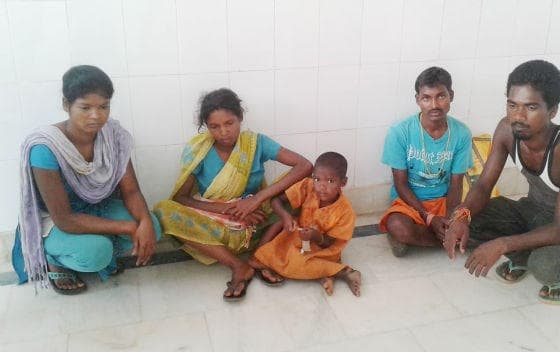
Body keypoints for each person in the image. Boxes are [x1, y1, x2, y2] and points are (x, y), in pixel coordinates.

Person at [444, 60, 560, 305]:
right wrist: (461, 215)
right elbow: (483, 186)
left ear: (552, 111)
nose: (518, 116)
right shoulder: (507, 130)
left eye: (531, 107)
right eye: (512, 105)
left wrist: (502, 244)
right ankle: (523, 255)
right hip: (532, 210)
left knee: (545, 265)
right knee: (472, 219)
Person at [12, 65, 162, 294]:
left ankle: (102, 248)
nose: (96, 115)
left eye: (103, 106)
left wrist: (144, 223)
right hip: (57, 220)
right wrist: (129, 227)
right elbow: (64, 219)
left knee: (153, 228)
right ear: (66, 105)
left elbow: (130, 190)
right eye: (85, 107)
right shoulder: (45, 148)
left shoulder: (112, 136)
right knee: (96, 252)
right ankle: (53, 259)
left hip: (96, 206)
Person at [153, 88, 312, 302]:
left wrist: (255, 200)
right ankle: (238, 265)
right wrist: (230, 210)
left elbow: (304, 165)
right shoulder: (199, 150)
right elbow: (180, 199)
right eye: (214, 127)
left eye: (229, 123)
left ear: (240, 118)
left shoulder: (256, 143)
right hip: (216, 227)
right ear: (206, 126)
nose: (223, 132)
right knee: (162, 210)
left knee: (307, 186)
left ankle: (258, 256)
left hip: (257, 223)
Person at [379, 66, 473, 256]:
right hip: (409, 204)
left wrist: (450, 219)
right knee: (397, 225)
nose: (434, 105)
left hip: (444, 201)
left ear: (451, 96)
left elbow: (456, 184)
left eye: (441, 96)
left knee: (478, 216)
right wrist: (429, 217)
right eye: (426, 98)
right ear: (418, 100)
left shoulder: (462, 133)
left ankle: (427, 238)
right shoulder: (400, 132)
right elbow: (400, 184)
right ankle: (446, 239)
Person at [251, 152, 361, 297]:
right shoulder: (307, 187)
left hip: (323, 249)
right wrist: (285, 216)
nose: (321, 186)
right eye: (317, 179)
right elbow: (276, 201)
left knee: (293, 264)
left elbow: (329, 244)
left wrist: (315, 236)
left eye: (330, 181)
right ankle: (323, 274)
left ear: (343, 182)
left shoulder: (346, 211)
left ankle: (343, 272)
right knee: (279, 246)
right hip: (299, 239)